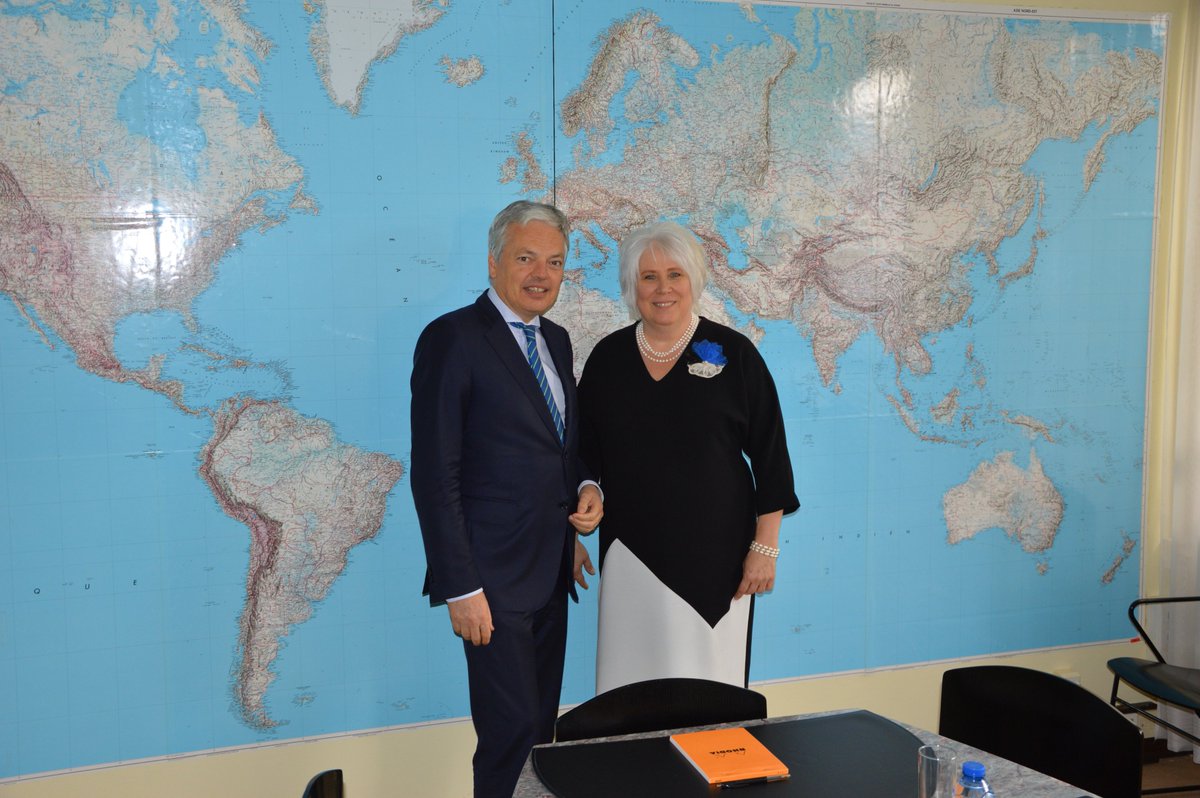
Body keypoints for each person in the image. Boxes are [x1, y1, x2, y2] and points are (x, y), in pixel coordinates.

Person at [409, 200, 603, 798]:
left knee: (541, 734)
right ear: (494, 263)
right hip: (489, 583)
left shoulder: (558, 341)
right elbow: (434, 474)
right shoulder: (452, 339)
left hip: (550, 572)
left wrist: (587, 490)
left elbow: (562, 447)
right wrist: (460, 588)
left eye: (555, 262)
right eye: (526, 258)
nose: (541, 274)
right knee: (508, 736)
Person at [578, 220, 798, 693]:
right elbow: (583, 452)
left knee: (709, 695)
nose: (663, 289)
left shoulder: (734, 354)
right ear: (631, 286)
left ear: (694, 280)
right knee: (631, 693)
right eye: (649, 277)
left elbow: (771, 457)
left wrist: (764, 549)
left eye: (674, 274)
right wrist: (586, 494)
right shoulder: (608, 358)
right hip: (630, 555)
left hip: (718, 560)